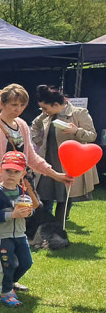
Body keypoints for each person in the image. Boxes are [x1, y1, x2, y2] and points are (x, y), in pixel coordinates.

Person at [0, 84, 71, 285]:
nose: (17, 109)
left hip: (17, 190)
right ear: (1, 103)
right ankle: (4, 278)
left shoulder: (21, 125)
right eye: (13, 104)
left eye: (21, 105)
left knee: (7, 233)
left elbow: (31, 157)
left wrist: (55, 174)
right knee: (3, 234)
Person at [31, 84, 99, 228]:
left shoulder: (80, 113)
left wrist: (76, 131)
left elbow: (92, 135)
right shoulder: (46, 115)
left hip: (68, 164)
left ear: (55, 104)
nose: (43, 111)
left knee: (64, 199)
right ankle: (43, 227)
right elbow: (35, 126)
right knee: (42, 197)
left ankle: (58, 229)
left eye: (45, 108)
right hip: (48, 163)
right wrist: (39, 141)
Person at [0, 152, 35, 307]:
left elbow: (30, 208)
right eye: (8, 171)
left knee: (26, 262)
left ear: (23, 173)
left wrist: (29, 211)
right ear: (0, 170)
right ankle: (6, 293)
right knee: (7, 264)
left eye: (16, 172)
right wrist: (11, 214)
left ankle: (9, 282)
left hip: (19, 233)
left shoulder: (23, 190)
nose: (11, 175)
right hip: (3, 234)